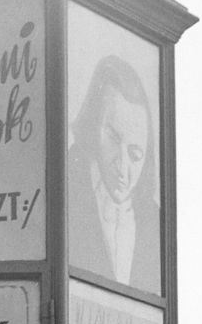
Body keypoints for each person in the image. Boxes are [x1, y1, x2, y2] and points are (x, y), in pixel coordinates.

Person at [68, 54, 160, 293]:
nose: (122, 166)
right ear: (93, 123)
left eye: (135, 155)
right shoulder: (65, 187)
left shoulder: (153, 223)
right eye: (113, 137)